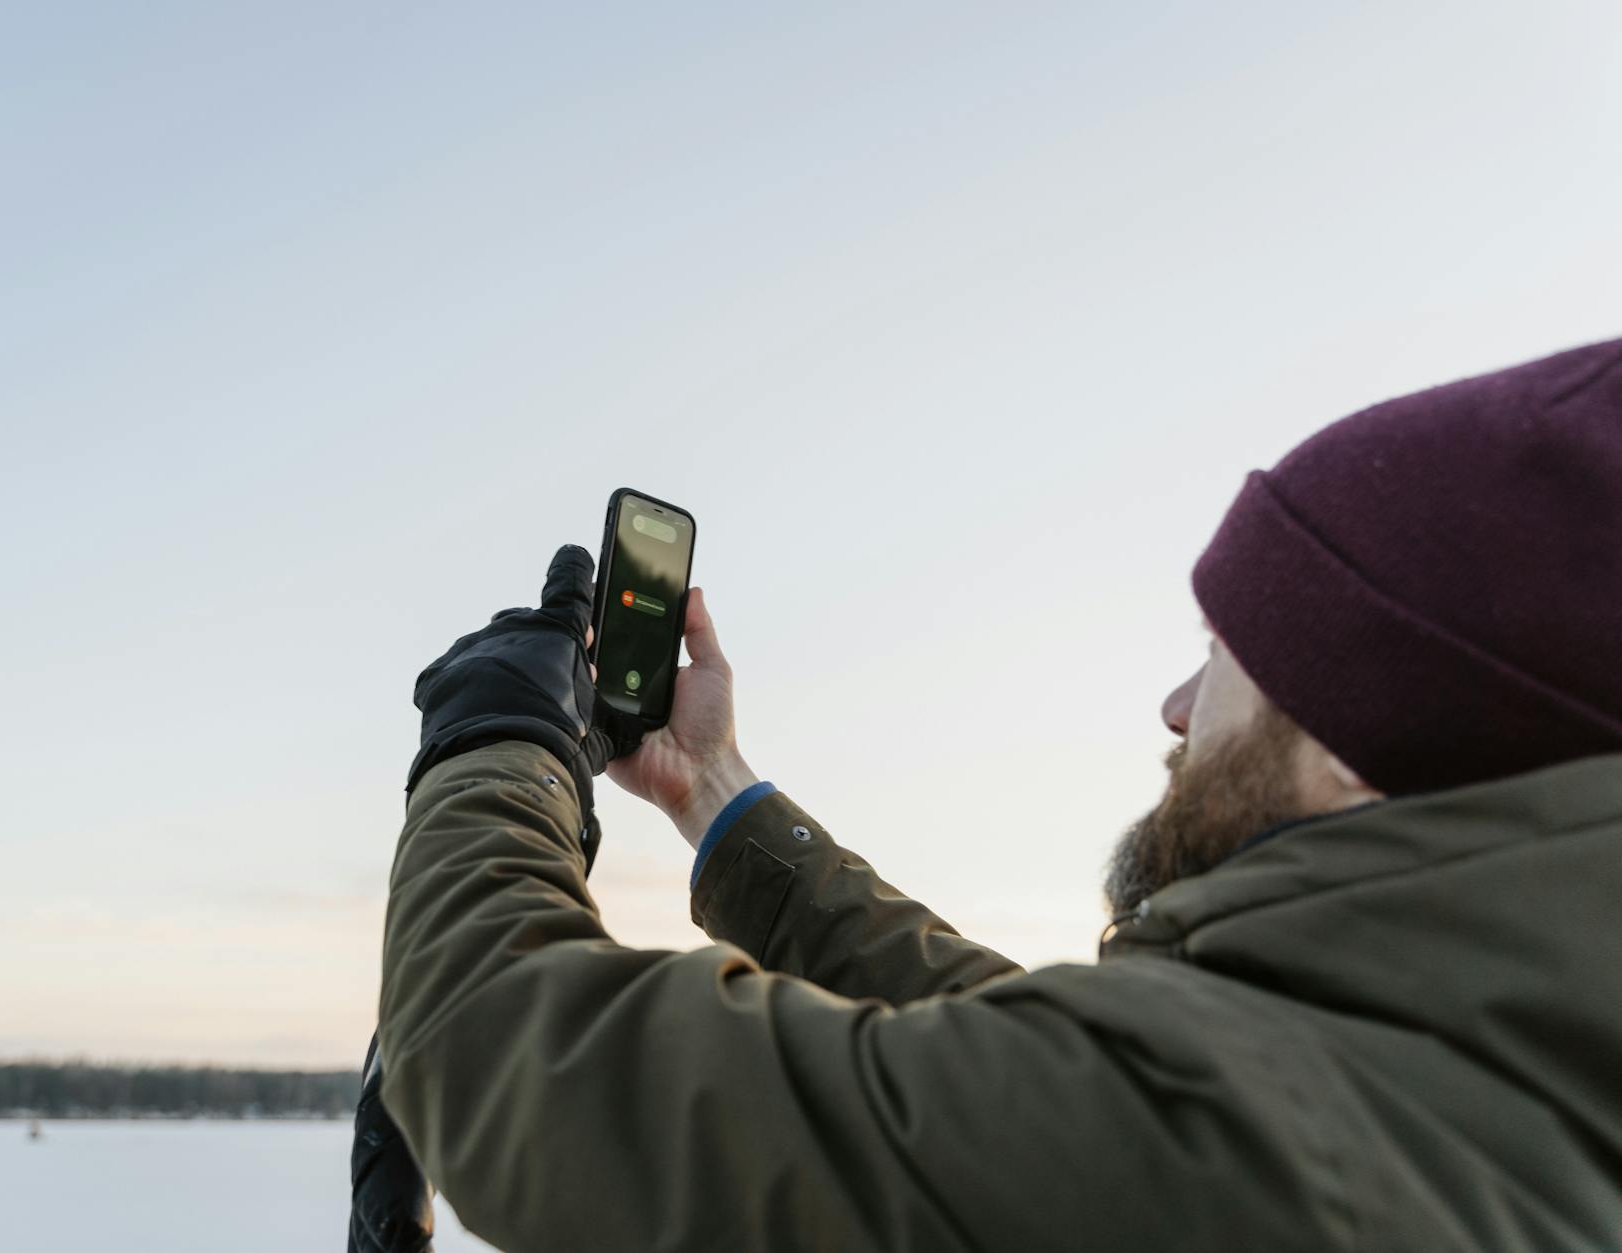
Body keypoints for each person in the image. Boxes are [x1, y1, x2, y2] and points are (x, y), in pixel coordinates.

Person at [349, 338, 1622, 1252]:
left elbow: (525, 1068)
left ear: (1362, 734)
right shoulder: (1490, 1087)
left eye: (1232, 659)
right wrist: (714, 791)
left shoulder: (1261, 1155)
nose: (1177, 708)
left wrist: (497, 739)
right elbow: (1037, 1052)